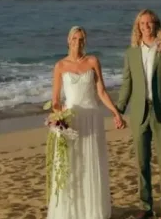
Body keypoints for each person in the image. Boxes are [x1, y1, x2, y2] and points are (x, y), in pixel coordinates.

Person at [47, 26, 125, 219]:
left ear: (85, 42)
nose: (78, 43)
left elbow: (101, 92)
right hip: (71, 120)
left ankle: (92, 212)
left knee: (91, 163)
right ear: (68, 40)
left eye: (81, 39)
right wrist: (59, 118)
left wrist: (116, 112)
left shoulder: (92, 61)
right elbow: (55, 100)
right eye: (74, 39)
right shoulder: (60, 66)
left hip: (92, 117)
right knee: (72, 165)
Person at [116, 9, 161, 219]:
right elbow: (127, 83)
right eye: (142, 23)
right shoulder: (131, 53)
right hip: (139, 113)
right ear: (138, 27)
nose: (146, 26)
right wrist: (119, 110)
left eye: (149, 22)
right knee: (142, 162)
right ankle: (146, 207)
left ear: (156, 25)